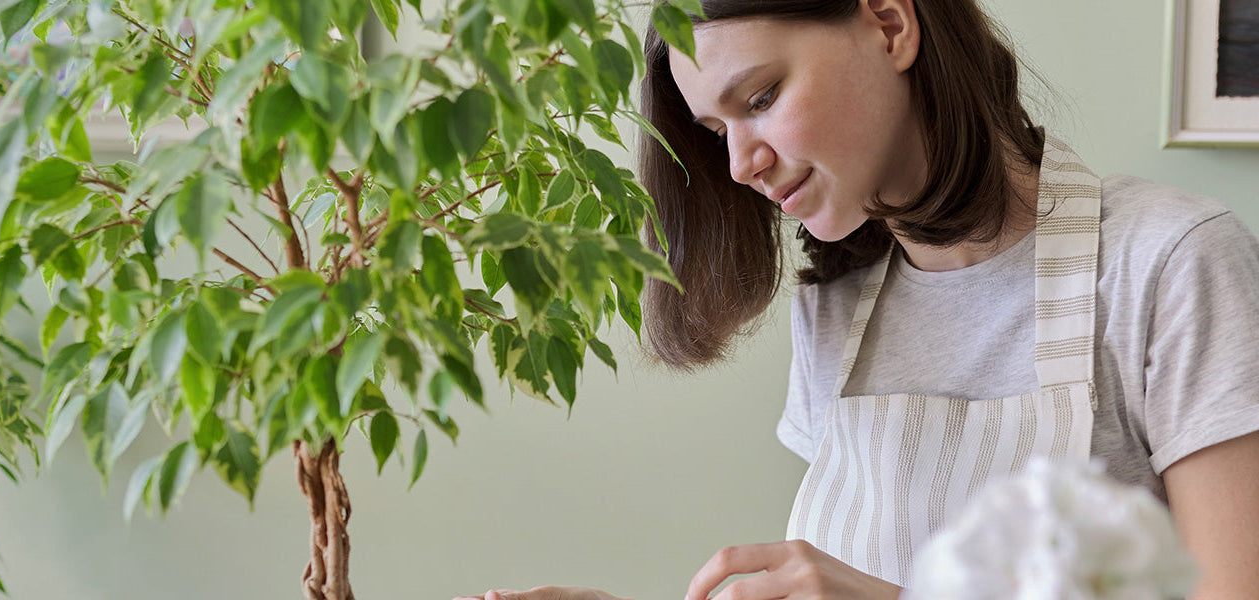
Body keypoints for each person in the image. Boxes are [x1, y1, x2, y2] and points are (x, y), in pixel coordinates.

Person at [456, 0, 1259, 598]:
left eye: (761, 98)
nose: (739, 164)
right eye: (716, 131)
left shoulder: (1169, 261)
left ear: (889, 24)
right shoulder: (836, 308)